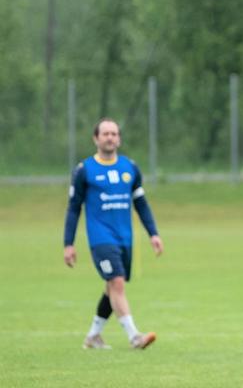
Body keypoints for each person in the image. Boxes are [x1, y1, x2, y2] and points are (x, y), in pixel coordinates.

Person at [63, 118, 163, 350]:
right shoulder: (84, 170)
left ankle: (93, 336)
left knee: (112, 288)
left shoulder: (130, 168)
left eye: (114, 134)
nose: (110, 137)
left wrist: (153, 234)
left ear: (119, 138)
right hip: (100, 238)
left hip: (125, 239)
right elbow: (73, 208)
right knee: (117, 283)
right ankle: (134, 336)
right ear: (95, 138)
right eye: (105, 133)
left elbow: (141, 203)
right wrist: (68, 243)